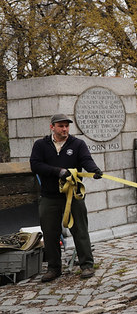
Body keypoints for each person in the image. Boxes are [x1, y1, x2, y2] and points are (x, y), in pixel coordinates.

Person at [30, 114, 103, 282]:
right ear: (52, 127)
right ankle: (54, 268)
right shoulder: (41, 145)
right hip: (49, 197)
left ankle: (87, 265)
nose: (64, 129)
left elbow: (86, 160)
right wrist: (59, 171)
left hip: (73, 195)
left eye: (66, 126)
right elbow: (36, 165)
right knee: (50, 233)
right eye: (61, 126)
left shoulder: (77, 144)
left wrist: (94, 170)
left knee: (80, 230)